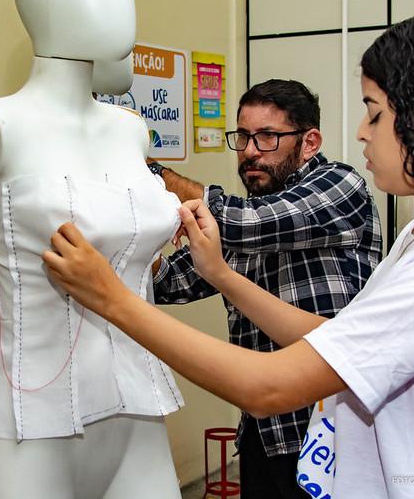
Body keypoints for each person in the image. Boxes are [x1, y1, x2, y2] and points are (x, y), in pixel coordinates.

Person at [43, 9, 414, 498]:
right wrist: (221, 275)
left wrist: (111, 297)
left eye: (375, 114)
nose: (362, 132)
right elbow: (331, 339)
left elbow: (267, 386)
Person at [0, 0, 183, 497]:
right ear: (41, 0)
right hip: (27, 428)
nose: (120, 3)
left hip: (136, 414)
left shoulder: (129, 131)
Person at [147, 78, 382, 498]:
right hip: (263, 431)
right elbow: (170, 283)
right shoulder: (249, 217)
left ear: (310, 142)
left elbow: (250, 223)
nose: (251, 151)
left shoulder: (341, 186)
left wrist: (150, 175)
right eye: (243, 137)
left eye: (268, 137)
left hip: (329, 432)